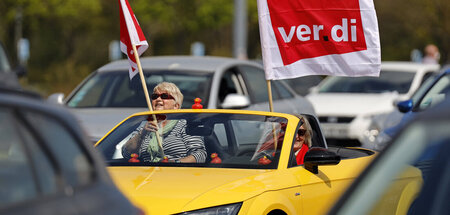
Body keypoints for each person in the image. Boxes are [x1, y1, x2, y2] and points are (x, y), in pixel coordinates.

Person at [122, 82, 207, 163]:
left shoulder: (185, 125)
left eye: (164, 96)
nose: (158, 99)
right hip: (147, 175)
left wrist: (174, 163)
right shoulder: (145, 126)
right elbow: (127, 153)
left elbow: (199, 154)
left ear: (176, 106)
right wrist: (142, 134)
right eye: (155, 96)